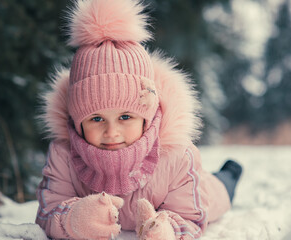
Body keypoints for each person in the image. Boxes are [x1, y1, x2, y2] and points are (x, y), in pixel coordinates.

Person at [36, 0, 242, 239]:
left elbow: (190, 216)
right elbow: (48, 212)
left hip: (202, 191)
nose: (111, 132)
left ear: (147, 116)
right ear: (76, 119)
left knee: (218, 189)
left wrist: (166, 230)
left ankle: (230, 175)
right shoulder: (63, 154)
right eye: (96, 118)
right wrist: (73, 219)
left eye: (125, 116)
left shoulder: (176, 156)